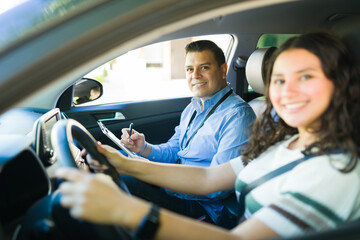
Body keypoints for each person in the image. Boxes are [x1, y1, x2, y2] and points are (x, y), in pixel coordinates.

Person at [55, 31, 360, 239]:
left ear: (340, 82)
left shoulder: (337, 170)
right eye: (279, 80)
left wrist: (124, 209)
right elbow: (209, 177)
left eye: (305, 77)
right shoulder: (286, 143)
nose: (287, 90)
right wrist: (124, 160)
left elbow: (219, 207)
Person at [118, 40, 256, 227]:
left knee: (125, 183)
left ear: (223, 70)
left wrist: (159, 179)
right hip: (178, 189)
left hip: (205, 209)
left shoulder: (238, 116)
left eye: (204, 67)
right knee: (120, 180)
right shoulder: (193, 107)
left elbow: (218, 188)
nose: (195, 75)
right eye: (190, 69)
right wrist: (143, 148)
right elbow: (175, 150)